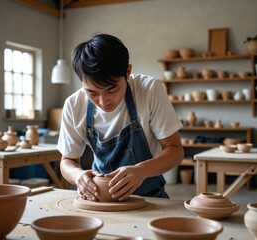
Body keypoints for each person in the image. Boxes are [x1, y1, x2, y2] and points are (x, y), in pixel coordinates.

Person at [58, 34, 184, 201]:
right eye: (92, 93)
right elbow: (67, 160)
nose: (103, 102)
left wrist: (142, 170)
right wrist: (77, 175)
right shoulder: (74, 105)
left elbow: (175, 150)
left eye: (111, 90)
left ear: (128, 72)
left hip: (149, 199)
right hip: (101, 200)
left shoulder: (149, 90)